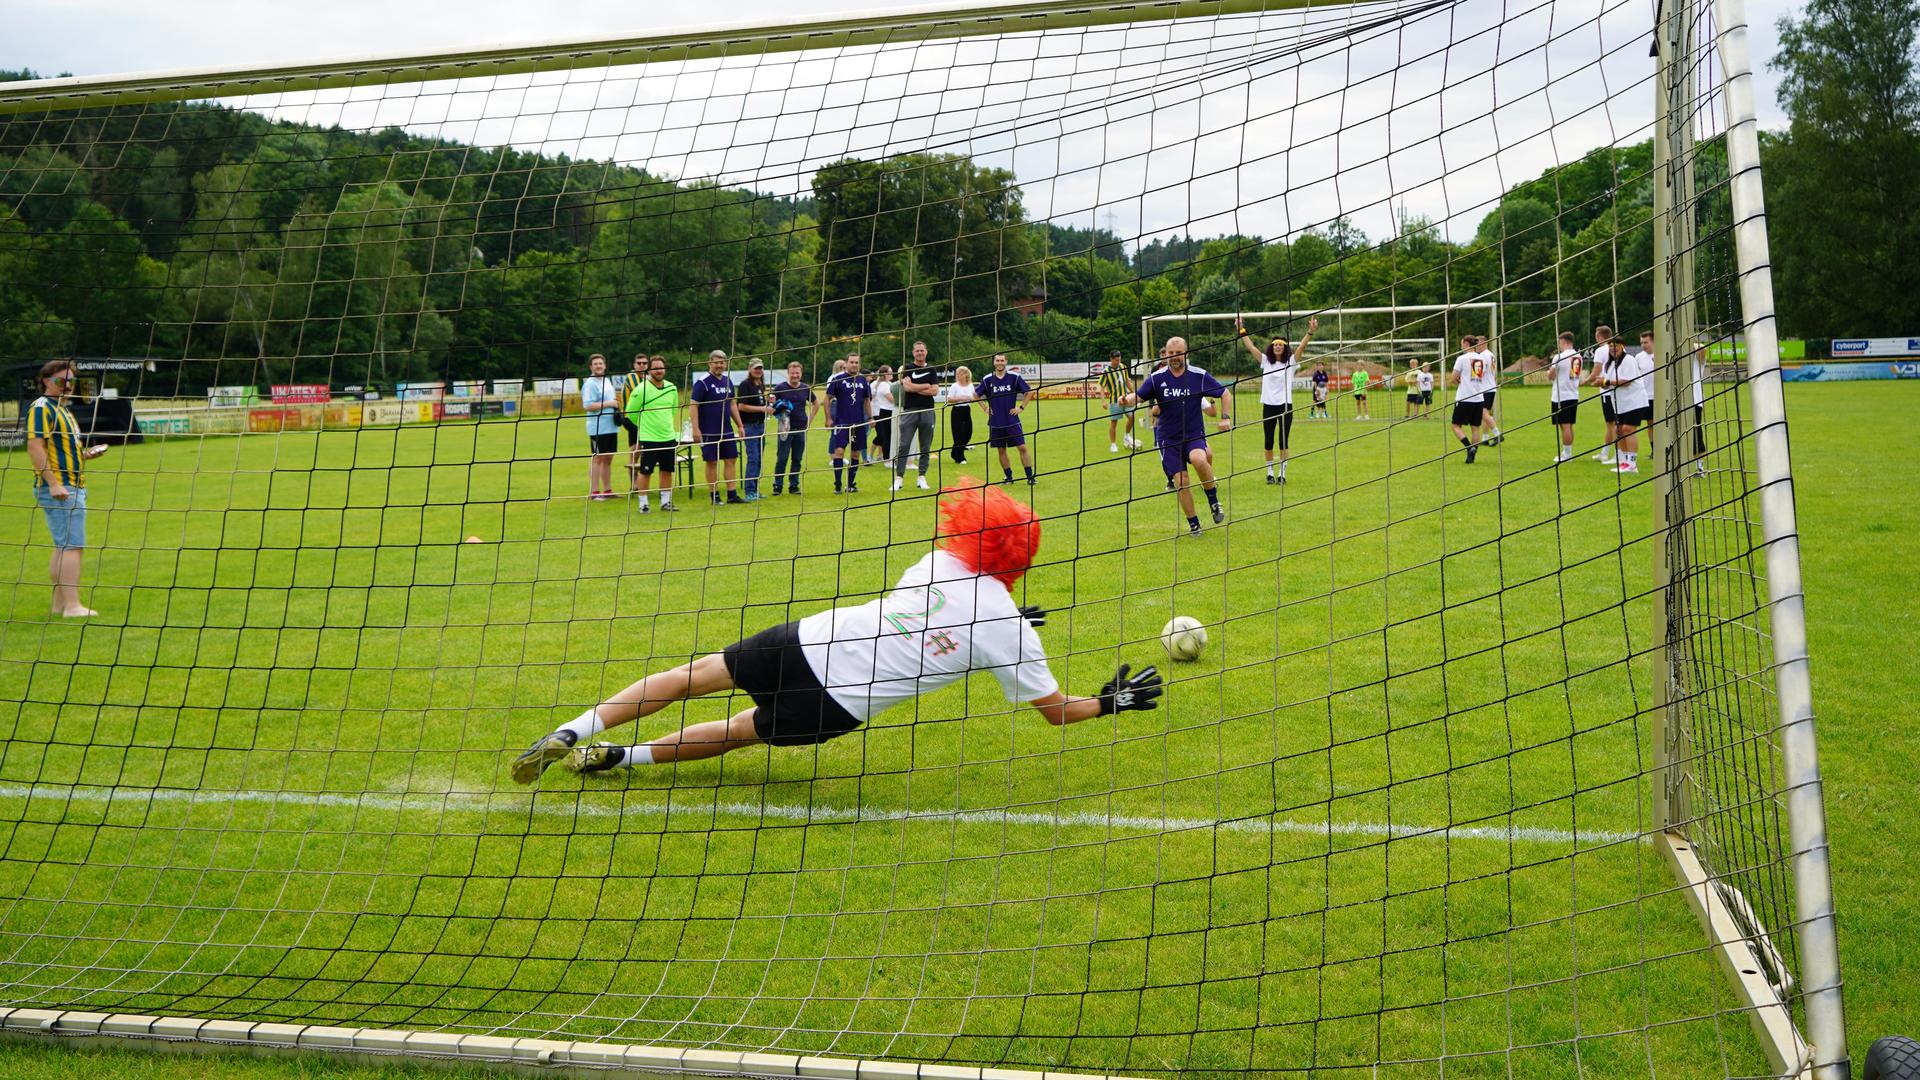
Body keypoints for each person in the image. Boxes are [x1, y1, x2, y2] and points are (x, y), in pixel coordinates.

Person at [509, 481, 1165, 782]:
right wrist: (1112, 701)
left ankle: (577, 731)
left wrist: (1004, 620)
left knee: (689, 678)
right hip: (837, 704)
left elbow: (936, 610)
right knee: (739, 732)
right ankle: (626, 760)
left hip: (810, 639)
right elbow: (1055, 713)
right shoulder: (1008, 632)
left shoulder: (936, 562)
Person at [1125, 336, 1232, 536]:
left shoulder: (1198, 376)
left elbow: (1226, 394)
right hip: (1168, 438)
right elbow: (1138, 397)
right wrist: (1126, 400)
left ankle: (1214, 502)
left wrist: (1225, 418)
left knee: (1200, 459)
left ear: (1186, 353)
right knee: (1181, 481)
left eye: (1178, 353)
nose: (1174, 357)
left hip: (1193, 433)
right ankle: (1194, 525)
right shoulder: (1157, 377)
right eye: (1170, 353)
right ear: (1165, 354)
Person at [26, 358, 108, 618]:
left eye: (72, 381)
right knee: (72, 546)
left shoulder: (64, 410)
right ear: (46, 381)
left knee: (65, 545)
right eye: (62, 381)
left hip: (72, 484)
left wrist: (85, 455)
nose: (68, 385)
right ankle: (73, 606)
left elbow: (61, 450)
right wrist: (53, 483)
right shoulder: (42, 408)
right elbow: (35, 447)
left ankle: (60, 605)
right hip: (61, 487)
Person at [1239, 315, 1316, 484]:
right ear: (1272, 348)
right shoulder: (1266, 362)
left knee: (1283, 441)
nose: (1278, 346)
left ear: (1285, 348)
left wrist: (1310, 331)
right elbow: (1251, 347)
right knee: (1268, 440)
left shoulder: (1291, 362)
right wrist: (1241, 329)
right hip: (1269, 406)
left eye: (1281, 345)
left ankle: (1282, 473)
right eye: (1275, 345)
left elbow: (1302, 346)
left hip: (1286, 406)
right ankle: (1269, 472)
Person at [690, 349, 746, 505]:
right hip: (709, 430)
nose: (719, 365)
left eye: (722, 362)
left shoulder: (728, 381)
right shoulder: (703, 382)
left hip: (726, 430)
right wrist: (696, 429)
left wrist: (740, 425)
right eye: (716, 362)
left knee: (731, 459)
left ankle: (732, 494)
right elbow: (693, 406)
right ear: (709, 363)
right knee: (712, 462)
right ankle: (714, 496)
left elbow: (732, 403)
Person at [626, 356, 681, 512]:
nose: (658, 370)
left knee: (667, 470)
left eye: (661, 367)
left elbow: (673, 410)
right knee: (646, 471)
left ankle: (665, 502)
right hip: (649, 438)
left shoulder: (672, 388)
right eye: (655, 368)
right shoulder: (641, 389)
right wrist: (646, 426)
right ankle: (643, 504)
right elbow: (631, 413)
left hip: (669, 437)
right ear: (649, 370)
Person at [976, 353, 1037, 485]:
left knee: (1022, 447)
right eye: (997, 360)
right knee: (1001, 450)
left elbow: (1029, 392)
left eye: (1002, 360)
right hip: (996, 422)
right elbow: (976, 394)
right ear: (994, 362)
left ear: (1006, 362)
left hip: (1012, 421)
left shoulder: (1014, 377)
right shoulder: (988, 379)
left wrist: (1021, 408)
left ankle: (1030, 477)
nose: (1000, 363)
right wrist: (985, 408)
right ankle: (1009, 478)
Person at [1602, 332, 1656, 475]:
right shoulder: (1611, 364)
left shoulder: (1629, 360)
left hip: (1634, 401)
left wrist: (1606, 382)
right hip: (1620, 403)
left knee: (1627, 429)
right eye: (1610, 347)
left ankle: (1632, 464)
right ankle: (1625, 462)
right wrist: (1599, 382)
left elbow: (1626, 381)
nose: (1613, 349)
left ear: (1623, 346)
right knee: (1618, 430)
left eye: (1616, 346)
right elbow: (1607, 382)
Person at [890, 341, 940, 491]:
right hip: (909, 411)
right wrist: (925, 386)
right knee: (904, 445)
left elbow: (934, 391)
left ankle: (921, 477)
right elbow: (907, 387)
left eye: (922, 350)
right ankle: (899, 478)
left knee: (925, 446)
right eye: (917, 351)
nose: (919, 353)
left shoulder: (932, 369)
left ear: (926, 352)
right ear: (913, 353)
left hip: (927, 411)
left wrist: (915, 387)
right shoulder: (907, 368)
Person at [824, 353, 872, 493]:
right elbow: (827, 398)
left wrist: (870, 418)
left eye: (857, 362)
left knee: (855, 454)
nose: (854, 365)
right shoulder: (837, 379)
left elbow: (866, 401)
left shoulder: (863, 380)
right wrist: (828, 418)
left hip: (858, 423)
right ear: (846, 363)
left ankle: (851, 484)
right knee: (839, 451)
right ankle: (838, 484)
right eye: (852, 362)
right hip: (842, 423)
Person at [772, 361, 819, 495]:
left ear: (801, 373)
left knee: (797, 458)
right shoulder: (780, 388)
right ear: (788, 373)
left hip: (800, 429)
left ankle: (794, 485)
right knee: (782, 458)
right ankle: (777, 485)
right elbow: (770, 403)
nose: (795, 375)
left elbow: (816, 404)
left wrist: (809, 421)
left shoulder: (805, 388)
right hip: (785, 428)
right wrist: (777, 408)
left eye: (797, 373)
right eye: (792, 373)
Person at [581, 354, 621, 500]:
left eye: (600, 363)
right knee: (597, 458)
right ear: (591, 367)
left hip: (611, 426)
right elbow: (587, 406)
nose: (598, 366)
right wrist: (609, 404)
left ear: (605, 366)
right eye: (595, 364)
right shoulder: (590, 384)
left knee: (608, 458)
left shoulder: (607, 381)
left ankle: (607, 490)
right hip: (597, 428)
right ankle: (595, 492)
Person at [1448, 336, 1493, 464]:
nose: (1461, 346)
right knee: (1475, 428)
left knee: (1455, 426)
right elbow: (1480, 376)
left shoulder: (1461, 359)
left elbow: (1453, 378)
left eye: (1462, 343)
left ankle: (1469, 448)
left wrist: (1460, 381)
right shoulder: (1482, 359)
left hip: (1464, 397)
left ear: (1466, 344)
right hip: (1479, 398)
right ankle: (1472, 454)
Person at [736, 359, 774, 501]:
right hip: (749, 426)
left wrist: (769, 404)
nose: (758, 371)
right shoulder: (745, 385)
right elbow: (741, 406)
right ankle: (749, 491)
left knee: (759, 459)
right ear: (750, 369)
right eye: (756, 368)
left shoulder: (761, 385)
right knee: (753, 458)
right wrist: (762, 408)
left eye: (760, 368)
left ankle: (755, 489)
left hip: (760, 425)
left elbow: (760, 404)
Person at [1547, 331, 1583, 463]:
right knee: (1569, 425)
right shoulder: (1578, 356)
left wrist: (1549, 373)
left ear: (1564, 342)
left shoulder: (1559, 357)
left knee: (1565, 425)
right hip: (1573, 393)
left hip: (1561, 395)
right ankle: (1568, 451)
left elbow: (1551, 375)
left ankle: (1567, 455)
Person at [1097, 349, 1138, 452]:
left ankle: (1127, 436)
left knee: (1132, 416)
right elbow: (1101, 387)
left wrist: (1134, 394)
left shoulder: (1123, 367)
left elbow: (1127, 382)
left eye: (1119, 359)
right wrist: (1103, 401)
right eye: (1116, 360)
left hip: (1126, 399)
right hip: (1114, 401)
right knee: (1114, 423)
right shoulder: (1106, 371)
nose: (1118, 361)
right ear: (1111, 359)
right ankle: (1113, 444)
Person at [1588, 325, 1618, 463]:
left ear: (1600, 336)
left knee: (1611, 424)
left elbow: (1596, 370)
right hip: (1616, 389)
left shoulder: (1601, 350)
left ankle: (1616, 454)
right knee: (1612, 423)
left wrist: (1585, 381)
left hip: (1607, 391)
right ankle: (1606, 452)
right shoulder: (1617, 347)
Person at [619, 352, 648, 492]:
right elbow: (643, 394)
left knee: (639, 449)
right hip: (631, 418)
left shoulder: (646, 378)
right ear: (634, 365)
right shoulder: (633, 377)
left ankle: (638, 483)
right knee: (635, 450)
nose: (642, 365)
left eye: (644, 363)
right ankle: (634, 484)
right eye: (639, 363)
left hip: (643, 419)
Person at [1472, 336, 1502, 444]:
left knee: (1483, 413)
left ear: (1484, 343)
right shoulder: (1491, 354)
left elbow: (1479, 373)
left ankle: (1498, 434)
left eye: (1477, 344)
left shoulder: (1483, 356)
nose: (1475, 347)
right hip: (1490, 387)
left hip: (1485, 388)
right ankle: (1485, 438)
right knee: (1485, 414)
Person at [945, 365, 977, 464]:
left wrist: (971, 398)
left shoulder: (970, 385)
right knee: (958, 434)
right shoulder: (954, 386)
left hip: (966, 410)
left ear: (966, 374)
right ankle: (960, 457)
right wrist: (960, 398)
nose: (958, 375)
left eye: (960, 374)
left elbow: (974, 397)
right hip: (957, 411)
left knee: (968, 432)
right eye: (957, 374)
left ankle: (955, 452)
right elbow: (949, 399)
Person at [869, 365, 896, 465]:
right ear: (884, 374)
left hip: (886, 411)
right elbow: (892, 399)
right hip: (882, 412)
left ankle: (884, 456)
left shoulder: (888, 383)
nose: (892, 374)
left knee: (886, 435)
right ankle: (885, 458)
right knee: (884, 436)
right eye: (890, 372)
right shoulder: (883, 385)